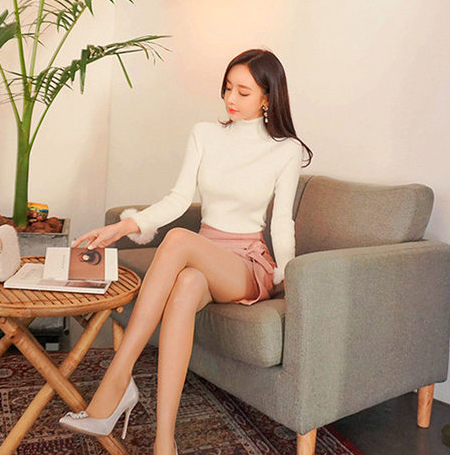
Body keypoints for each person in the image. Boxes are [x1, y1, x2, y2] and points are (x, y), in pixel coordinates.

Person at [59, 48, 312, 455]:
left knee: (177, 239)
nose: (230, 98)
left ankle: (117, 380)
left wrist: (290, 273)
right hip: (204, 253)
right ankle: (165, 441)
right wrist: (120, 227)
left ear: (267, 97)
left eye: (243, 92)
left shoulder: (285, 150)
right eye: (227, 87)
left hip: (245, 262)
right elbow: (178, 199)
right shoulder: (204, 134)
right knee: (187, 284)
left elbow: (282, 222)